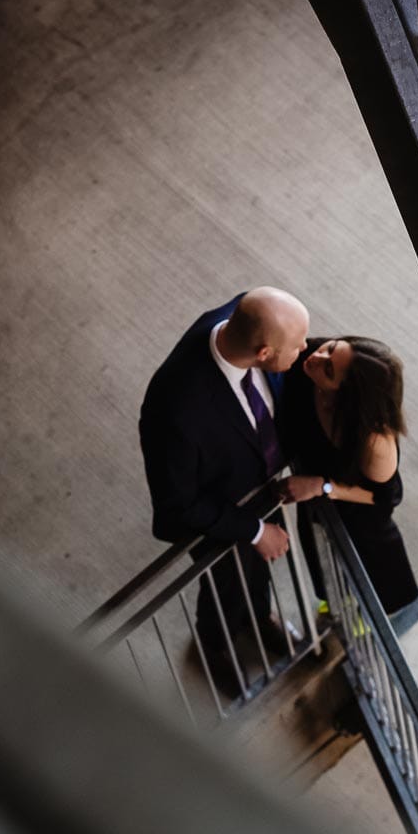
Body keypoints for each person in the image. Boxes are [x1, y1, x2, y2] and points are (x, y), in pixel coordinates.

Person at [139, 288, 309, 697]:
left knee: (258, 572)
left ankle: (257, 617)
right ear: (264, 353)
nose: (305, 350)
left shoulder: (244, 315)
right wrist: (253, 530)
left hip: (258, 488)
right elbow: (180, 503)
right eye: (297, 344)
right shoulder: (177, 410)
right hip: (221, 511)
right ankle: (215, 644)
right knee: (227, 584)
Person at [275, 336, 418, 615]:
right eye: (330, 348)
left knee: (368, 576)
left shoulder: (373, 439)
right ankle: (334, 605)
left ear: (347, 396)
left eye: (329, 370)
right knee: (321, 562)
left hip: (360, 514)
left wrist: (322, 486)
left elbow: (384, 496)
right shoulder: (307, 359)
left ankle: (364, 615)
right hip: (316, 499)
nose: (317, 358)